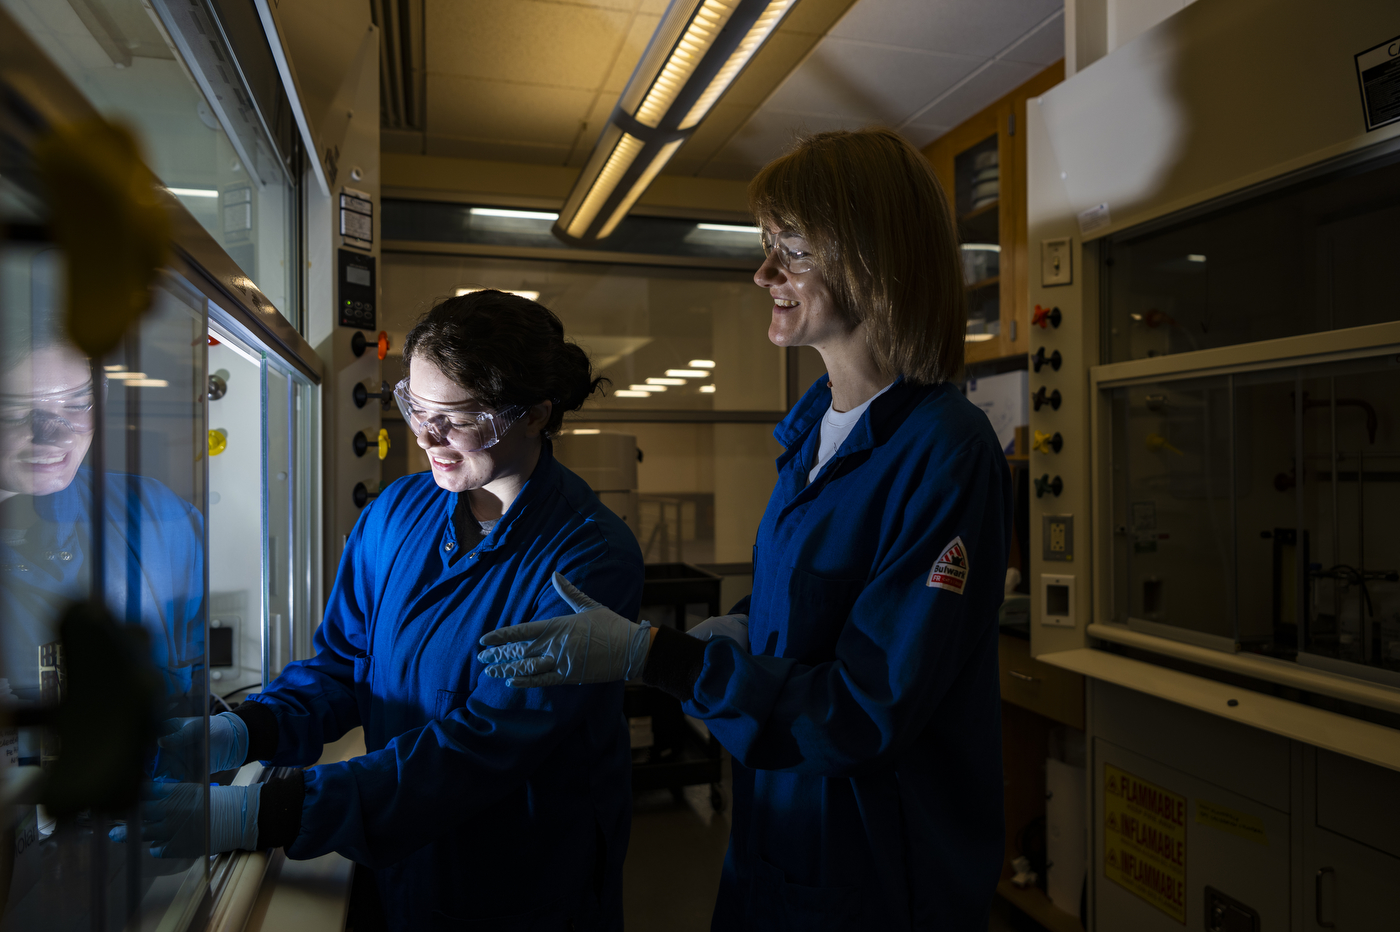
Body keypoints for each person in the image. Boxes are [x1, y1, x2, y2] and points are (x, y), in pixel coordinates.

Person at [478, 129, 1012, 930]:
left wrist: (657, 657)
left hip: (874, 867)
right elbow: (806, 620)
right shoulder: (809, 434)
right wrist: (741, 630)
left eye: (791, 251)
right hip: (777, 834)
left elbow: (864, 710)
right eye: (769, 249)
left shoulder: (945, 450)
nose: (765, 273)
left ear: (872, 258)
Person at [141, 293, 645, 930]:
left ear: (534, 414)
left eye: (458, 419)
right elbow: (346, 665)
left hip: (517, 877)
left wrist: (262, 813)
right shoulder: (398, 512)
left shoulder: (590, 558)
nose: (427, 437)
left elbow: (479, 751)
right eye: (417, 408)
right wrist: (246, 731)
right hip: (399, 860)